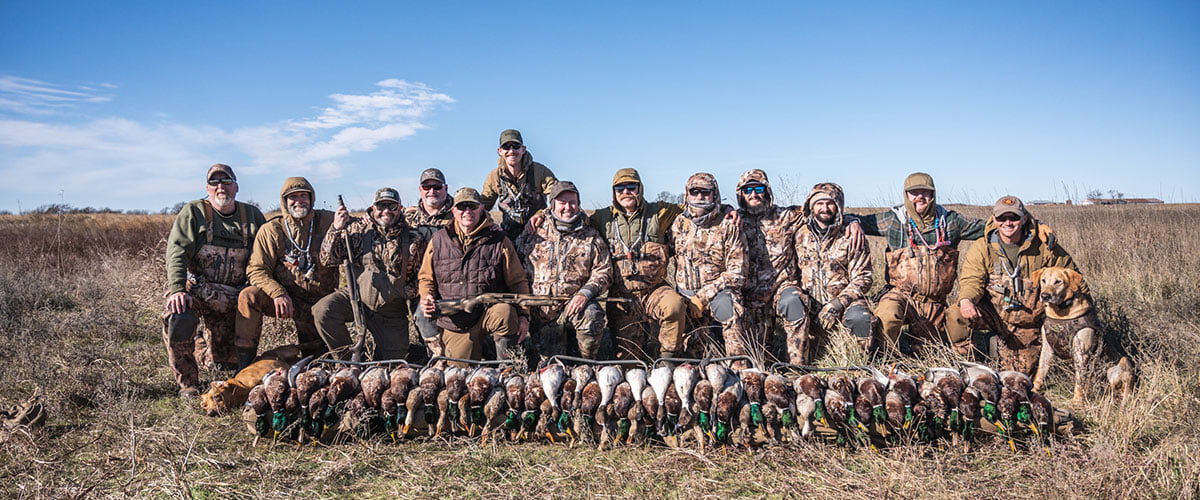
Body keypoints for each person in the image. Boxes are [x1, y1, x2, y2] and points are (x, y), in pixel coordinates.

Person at [853, 172, 986, 356]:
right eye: (914, 192)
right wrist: (854, 222)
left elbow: (990, 227)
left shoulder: (950, 221)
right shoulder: (893, 220)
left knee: (928, 354)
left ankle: (915, 348)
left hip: (934, 303)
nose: (920, 197)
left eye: (926, 192)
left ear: (933, 195)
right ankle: (885, 358)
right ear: (906, 195)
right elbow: (853, 219)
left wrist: (1029, 225)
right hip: (901, 296)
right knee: (888, 313)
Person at [162, 164, 266, 397]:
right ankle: (188, 383)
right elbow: (176, 252)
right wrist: (178, 290)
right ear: (207, 188)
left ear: (236, 187)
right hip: (200, 290)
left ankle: (204, 348)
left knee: (222, 365)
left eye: (226, 181)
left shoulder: (252, 216)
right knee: (177, 315)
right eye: (214, 183)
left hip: (235, 296)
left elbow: (266, 255)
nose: (221, 187)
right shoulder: (194, 212)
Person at [952, 196, 1080, 374]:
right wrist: (966, 300)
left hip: (1031, 322)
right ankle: (968, 364)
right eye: (1002, 218)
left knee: (1019, 374)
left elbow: (1074, 279)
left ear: (1024, 218)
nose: (1008, 223)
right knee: (955, 313)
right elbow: (971, 279)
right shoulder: (983, 246)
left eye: (1014, 217)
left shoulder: (1044, 246)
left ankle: (998, 345)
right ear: (994, 220)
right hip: (995, 314)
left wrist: (1085, 318)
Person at [417, 188, 531, 362]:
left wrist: (524, 316)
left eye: (472, 206)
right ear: (453, 210)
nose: (467, 211)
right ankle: (483, 350)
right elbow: (426, 277)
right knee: (460, 374)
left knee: (505, 312)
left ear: (481, 209)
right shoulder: (439, 239)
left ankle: (507, 369)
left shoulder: (500, 240)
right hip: (457, 322)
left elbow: (517, 281)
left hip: (489, 313)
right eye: (462, 207)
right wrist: (427, 297)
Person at [314, 188, 426, 361]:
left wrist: (405, 293)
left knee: (394, 364)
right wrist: (336, 228)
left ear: (400, 208)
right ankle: (346, 361)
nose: (386, 211)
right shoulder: (357, 229)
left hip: (391, 310)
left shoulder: (413, 237)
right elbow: (327, 259)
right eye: (381, 206)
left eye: (392, 206)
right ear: (373, 207)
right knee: (323, 310)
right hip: (356, 298)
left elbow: (421, 276)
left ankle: (377, 356)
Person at [588, 168, 688, 360]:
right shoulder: (601, 218)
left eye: (631, 186)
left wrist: (725, 210)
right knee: (628, 362)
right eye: (620, 188)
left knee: (674, 306)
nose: (625, 192)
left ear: (640, 188)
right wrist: (541, 214)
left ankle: (669, 360)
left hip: (654, 290)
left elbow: (694, 208)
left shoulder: (660, 212)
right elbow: (570, 217)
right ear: (614, 192)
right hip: (620, 297)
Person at [235, 177, 338, 362]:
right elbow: (256, 269)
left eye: (303, 196)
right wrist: (278, 293)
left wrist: (397, 212)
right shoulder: (271, 230)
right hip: (286, 300)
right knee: (249, 296)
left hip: (321, 302)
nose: (299, 201)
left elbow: (364, 225)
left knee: (317, 361)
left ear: (311, 198)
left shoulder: (328, 220)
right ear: (284, 201)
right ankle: (244, 363)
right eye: (293, 197)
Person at [516, 181, 613, 359]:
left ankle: (587, 363)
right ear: (552, 205)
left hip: (575, 307)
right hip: (541, 311)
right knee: (554, 365)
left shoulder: (591, 235)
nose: (568, 207)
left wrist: (585, 293)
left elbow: (604, 270)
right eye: (562, 203)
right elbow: (516, 270)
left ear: (579, 204)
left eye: (572, 202)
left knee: (593, 315)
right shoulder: (533, 232)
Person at [669, 173, 747, 362]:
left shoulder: (728, 223)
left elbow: (738, 272)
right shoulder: (679, 222)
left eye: (706, 192)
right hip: (685, 296)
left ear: (715, 194)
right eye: (694, 192)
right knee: (689, 359)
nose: (700, 197)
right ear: (687, 194)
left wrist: (703, 296)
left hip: (716, 295)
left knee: (730, 307)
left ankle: (738, 367)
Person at [793, 182, 875, 362]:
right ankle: (797, 366)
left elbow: (863, 278)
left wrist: (836, 305)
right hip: (811, 303)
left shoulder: (851, 236)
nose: (825, 208)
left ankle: (857, 364)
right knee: (792, 303)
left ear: (838, 206)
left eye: (830, 203)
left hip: (843, 304)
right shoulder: (799, 235)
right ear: (811, 206)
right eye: (819, 203)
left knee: (859, 317)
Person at [402, 168, 453, 362]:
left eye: (437, 186)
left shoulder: (459, 215)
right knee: (423, 318)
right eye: (427, 187)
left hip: (452, 286)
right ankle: (436, 360)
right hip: (417, 287)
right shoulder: (407, 219)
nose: (432, 191)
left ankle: (447, 360)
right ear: (420, 190)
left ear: (445, 188)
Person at [481, 129, 558, 241]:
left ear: (523, 149)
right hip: (507, 234)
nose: (511, 151)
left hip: (538, 231)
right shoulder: (494, 177)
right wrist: (489, 223)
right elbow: (482, 207)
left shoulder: (540, 172)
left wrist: (540, 215)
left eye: (516, 146)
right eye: (506, 147)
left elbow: (558, 198)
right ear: (499, 151)